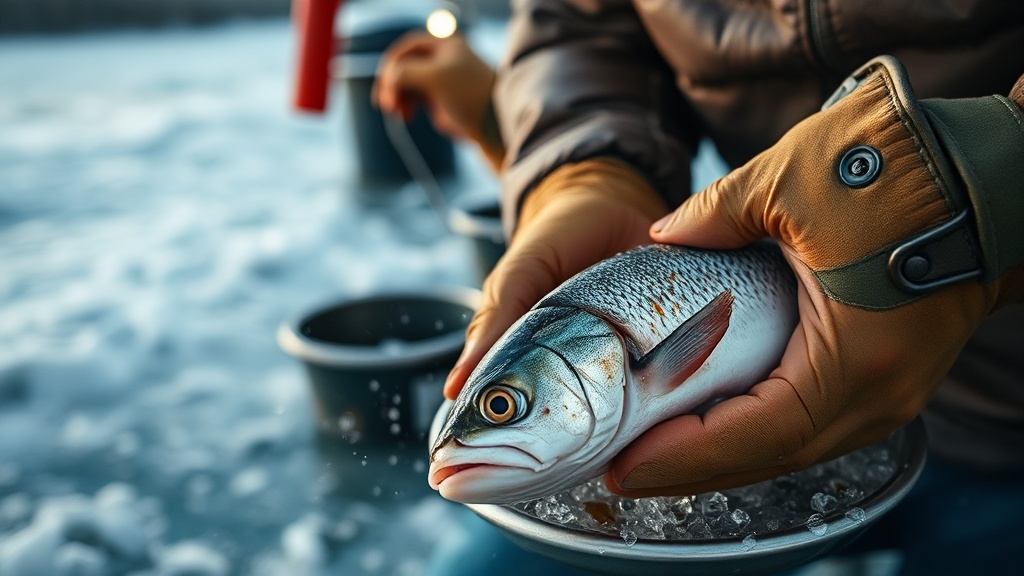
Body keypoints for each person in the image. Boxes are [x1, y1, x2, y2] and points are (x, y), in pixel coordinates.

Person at [374, 3, 1024, 573]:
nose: (492, 419)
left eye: (499, 408)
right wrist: (588, 170)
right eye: (500, 408)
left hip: (1007, 424)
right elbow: (580, 21)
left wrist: (986, 194)